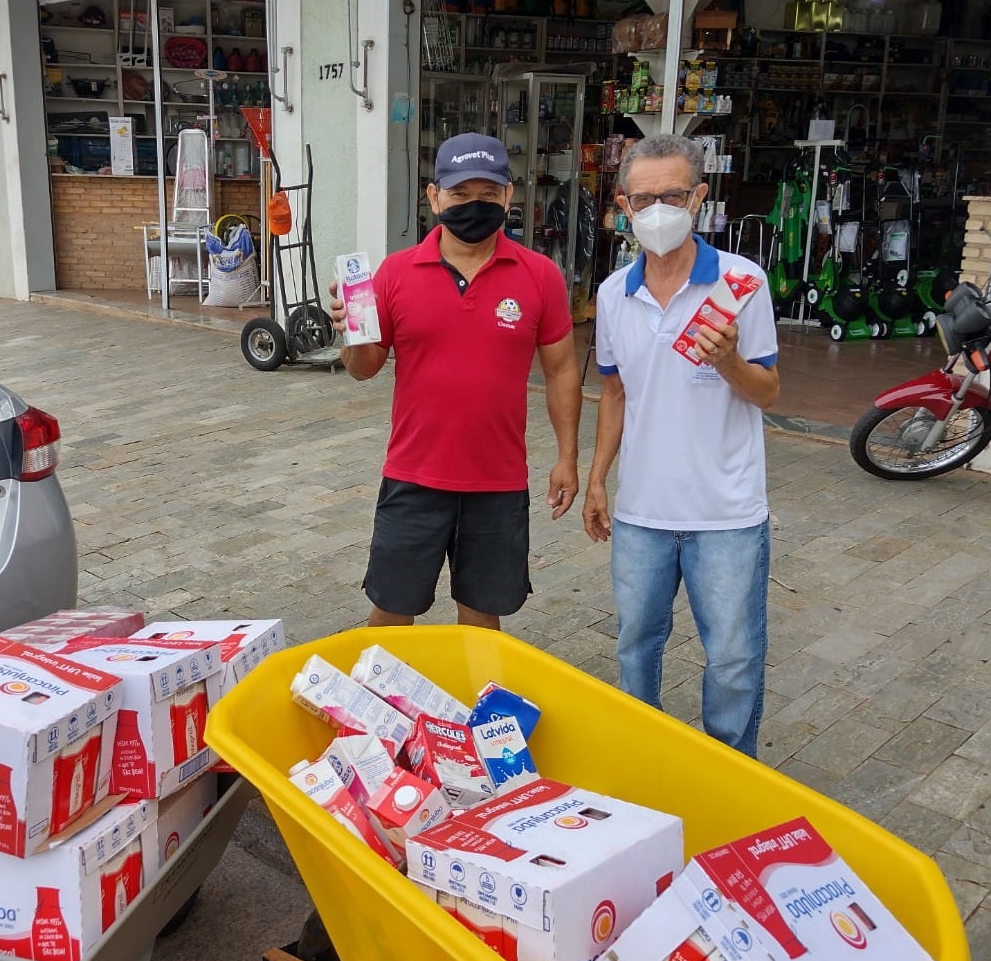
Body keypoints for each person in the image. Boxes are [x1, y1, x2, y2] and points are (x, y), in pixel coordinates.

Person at [328, 132, 582, 630]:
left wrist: (567, 458)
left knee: (482, 615)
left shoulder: (540, 275)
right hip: (413, 477)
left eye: (488, 193)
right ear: (434, 196)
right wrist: (352, 331)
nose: (474, 205)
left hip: (498, 482)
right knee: (391, 608)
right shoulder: (395, 274)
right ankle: (380, 685)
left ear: (508, 196)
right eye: (460, 193)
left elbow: (561, 369)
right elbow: (363, 368)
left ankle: (474, 685)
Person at [581, 135, 779, 757]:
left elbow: (768, 391)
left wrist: (728, 362)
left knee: (733, 658)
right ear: (623, 206)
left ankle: (732, 773)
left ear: (699, 198)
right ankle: (645, 761)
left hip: (726, 513)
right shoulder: (614, 294)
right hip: (642, 512)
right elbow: (615, 392)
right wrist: (597, 479)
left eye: (673, 194)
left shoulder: (741, 283)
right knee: (636, 647)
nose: (658, 209)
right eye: (644, 199)